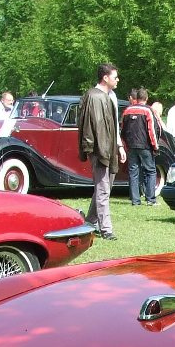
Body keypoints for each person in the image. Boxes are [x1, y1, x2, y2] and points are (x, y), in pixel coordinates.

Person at [76, 62, 124, 240]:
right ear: (105, 78)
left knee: (104, 187)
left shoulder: (111, 96)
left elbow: (113, 126)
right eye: (115, 76)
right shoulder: (93, 96)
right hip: (99, 149)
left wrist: (119, 146)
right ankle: (106, 229)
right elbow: (89, 126)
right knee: (103, 188)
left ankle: (89, 222)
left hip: (111, 147)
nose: (117, 79)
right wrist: (91, 149)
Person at [121, 88, 158, 206]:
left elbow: (123, 129)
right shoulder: (148, 110)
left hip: (131, 146)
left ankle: (135, 200)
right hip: (145, 145)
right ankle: (150, 199)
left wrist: (125, 144)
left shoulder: (127, 110)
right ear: (146, 98)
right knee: (151, 171)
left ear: (136, 98)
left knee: (133, 172)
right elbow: (151, 130)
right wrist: (155, 146)